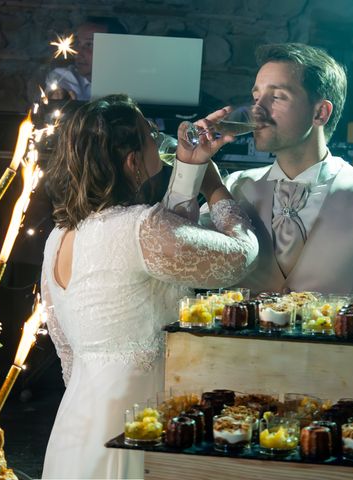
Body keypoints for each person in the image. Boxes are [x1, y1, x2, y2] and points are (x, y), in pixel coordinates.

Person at [40, 94, 258, 479]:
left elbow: (66, 351)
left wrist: (189, 167)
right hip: (137, 425)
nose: (159, 139)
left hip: (77, 424)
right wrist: (214, 186)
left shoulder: (59, 236)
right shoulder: (141, 229)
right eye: (148, 134)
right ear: (132, 161)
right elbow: (239, 256)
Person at [199, 43, 353, 306]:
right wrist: (190, 165)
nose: (256, 111)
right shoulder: (232, 187)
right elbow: (174, 259)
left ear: (320, 112)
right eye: (256, 97)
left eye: (277, 97)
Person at [45, 17, 127, 101]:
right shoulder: (63, 76)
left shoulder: (129, 83)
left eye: (89, 44)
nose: (77, 53)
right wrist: (62, 97)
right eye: (78, 43)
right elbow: (60, 90)